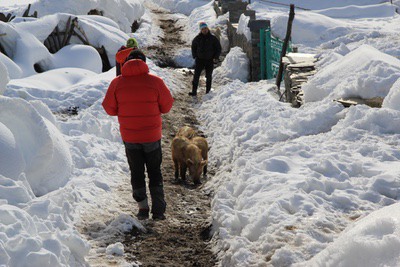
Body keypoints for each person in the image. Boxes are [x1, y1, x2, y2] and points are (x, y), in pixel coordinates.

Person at [102, 50, 174, 220]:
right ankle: (158, 210)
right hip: (152, 136)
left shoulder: (117, 83)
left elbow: (109, 108)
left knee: (136, 171)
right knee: (155, 171)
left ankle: (142, 209)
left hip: (130, 137)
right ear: (144, 61)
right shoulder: (155, 82)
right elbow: (167, 106)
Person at [189, 22, 222, 96]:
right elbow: (193, 47)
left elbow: (218, 48)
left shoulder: (213, 38)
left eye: (205, 28)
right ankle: (194, 91)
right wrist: (195, 56)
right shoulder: (197, 38)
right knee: (196, 75)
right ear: (201, 30)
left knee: (209, 76)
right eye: (203, 29)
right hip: (199, 60)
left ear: (208, 28)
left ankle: (208, 92)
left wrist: (216, 57)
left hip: (209, 60)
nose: (204, 30)